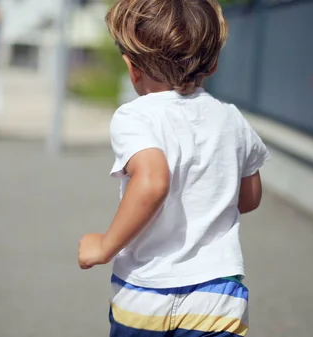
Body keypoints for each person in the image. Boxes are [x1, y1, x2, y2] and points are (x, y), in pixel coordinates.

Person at [77, 1, 270, 336]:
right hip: (218, 298)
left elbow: (152, 182)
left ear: (131, 67)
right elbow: (250, 197)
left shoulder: (136, 116)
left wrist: (106, 245)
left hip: (147, 291)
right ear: (213, 65)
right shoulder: (231, 119)